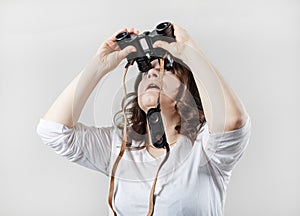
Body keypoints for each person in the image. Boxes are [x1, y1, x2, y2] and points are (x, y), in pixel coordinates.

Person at [37, 23, 251, 216]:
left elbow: (233, 120)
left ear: (187, 90)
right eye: (147, 70)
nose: (151, 73)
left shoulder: (205, 149)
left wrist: (189, 52)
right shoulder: (122, 147)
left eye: (166, 69)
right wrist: (99, 66)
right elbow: (53, 130)